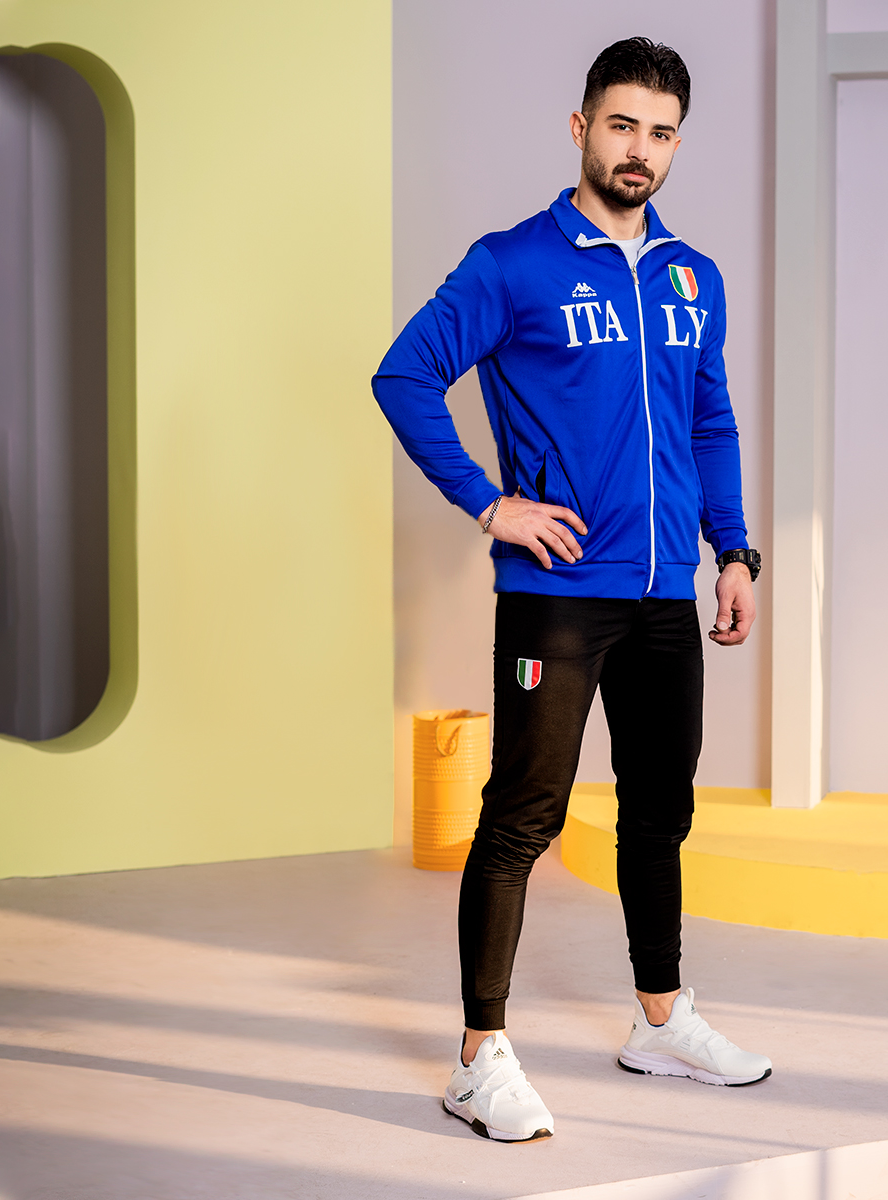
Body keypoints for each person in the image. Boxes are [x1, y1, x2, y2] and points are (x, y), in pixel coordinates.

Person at [372, 36, 770, 1144]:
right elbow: (404, 375)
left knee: (660, 809)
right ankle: (479, 1058)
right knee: (523, 814)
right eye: (622, 124)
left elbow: (709, 422)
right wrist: (488, 503)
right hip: (557, 591)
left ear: (676, 144)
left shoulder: (694, 277)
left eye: (661, 132)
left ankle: (660, 1020)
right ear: (581, 128)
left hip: (665, 593)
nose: (639, 149)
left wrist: (734, 552)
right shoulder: (513, 264)